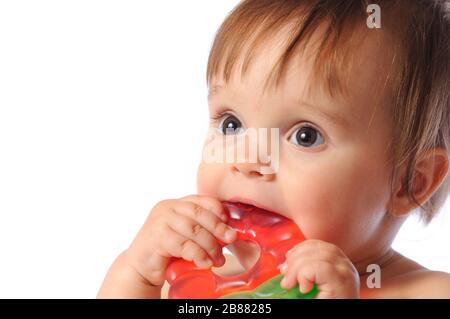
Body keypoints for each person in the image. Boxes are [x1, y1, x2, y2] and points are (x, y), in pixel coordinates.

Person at [97, 0, 450, 298]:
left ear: (409, 181)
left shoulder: (428, 291)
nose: (248, 160)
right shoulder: (198, 277)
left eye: (305, 136)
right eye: (231, 123)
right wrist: (137, 274)